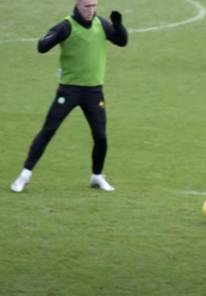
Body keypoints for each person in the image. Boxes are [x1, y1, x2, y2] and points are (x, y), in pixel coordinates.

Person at [10, 0, 127, 193]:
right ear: (77, 6)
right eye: (87, 6)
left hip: (94, 91)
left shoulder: (102, 24)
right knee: (48, 131)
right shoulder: (66, 25)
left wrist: (118, 25)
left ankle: (97, 176)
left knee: (100, 136)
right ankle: (24, 175)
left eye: (94, 6)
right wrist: (53, 37)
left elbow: (122, 42)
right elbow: (42, 46)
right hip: (69, 91)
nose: (91, 10)